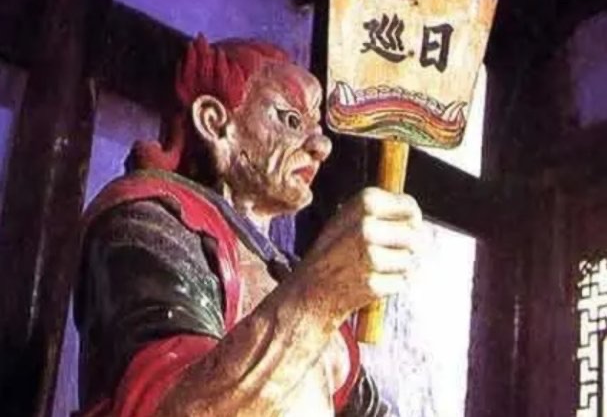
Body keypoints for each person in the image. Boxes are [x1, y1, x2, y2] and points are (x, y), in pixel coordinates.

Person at [75, 35, 423, 417]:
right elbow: (171, 408)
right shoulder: (150, 222)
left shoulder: (289, 271)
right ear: (214, 122)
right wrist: (318, 297)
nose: (321, 146)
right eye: (291, 120)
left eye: (316, 126)